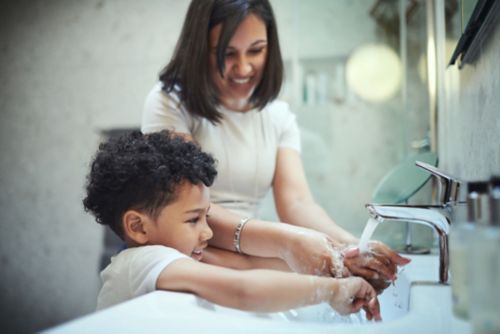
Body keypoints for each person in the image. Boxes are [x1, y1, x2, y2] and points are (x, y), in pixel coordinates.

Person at [141, 0, 409, 291]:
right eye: (226, 53)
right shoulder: (169, 103)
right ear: (199, 48)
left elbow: (296, 203)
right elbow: (185, 207)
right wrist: (288, 243)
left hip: (247, 258)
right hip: (190, 256)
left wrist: (352, 245)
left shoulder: (278, 116)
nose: (243, 67)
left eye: (256, 50)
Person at [82, 130, 381, 320]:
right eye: (193, 219)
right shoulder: (143, 260)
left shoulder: (167, 261)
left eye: (206, 215)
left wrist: (339, 264)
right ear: (138, 227)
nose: (208, 231)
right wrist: (331, 291)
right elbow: (244, 290)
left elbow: (251, 270)